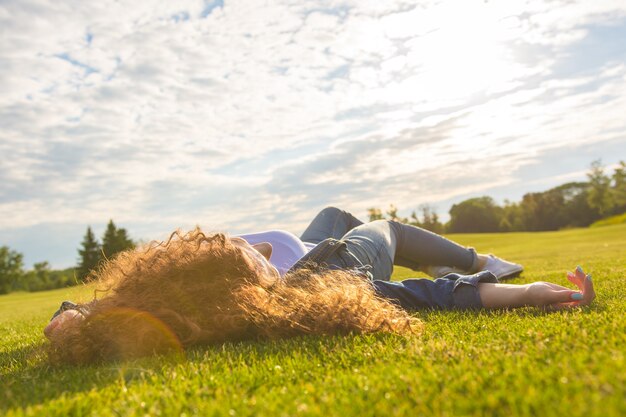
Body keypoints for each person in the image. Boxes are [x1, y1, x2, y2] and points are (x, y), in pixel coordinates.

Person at [44, 207, 595, 364]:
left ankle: (447, 256)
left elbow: (118, 309)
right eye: (254, 258)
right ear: (250, 293)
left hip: (311, 241)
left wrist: (75, 316)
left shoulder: (177, 295)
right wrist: (526, 294)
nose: (256, 247)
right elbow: (425, 298)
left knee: (332, 211)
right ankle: (485, 259)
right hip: (331, 259)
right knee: (385, 230)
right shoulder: (318, 291)